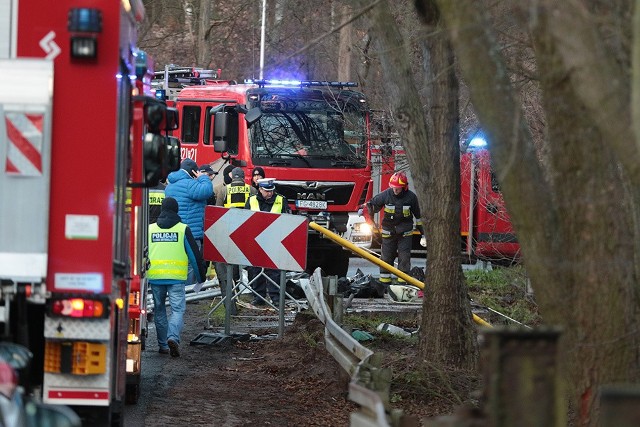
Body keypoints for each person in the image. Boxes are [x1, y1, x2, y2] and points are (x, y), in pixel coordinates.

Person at [148, 197, 206, 357]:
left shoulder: (150, 229)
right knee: (177, 310)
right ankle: (172, 337)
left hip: (155, 277)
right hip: (176, 279)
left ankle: (163, 346)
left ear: (161, 209)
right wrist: (201, 277)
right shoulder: (182, 229)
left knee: (159, 310)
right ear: (177, 210)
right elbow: (194, 256)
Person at [360, 171, 425, 287]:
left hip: (405, 233)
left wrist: (423, 235)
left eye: (398, 188)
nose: (395, 190)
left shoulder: (411, 197)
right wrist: (364, 209)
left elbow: (419, 217)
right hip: (388, 232)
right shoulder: (386, 195)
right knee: (386, 258)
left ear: (405, 187)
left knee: (404, 258)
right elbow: (372, 205)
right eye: (393, 188)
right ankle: (384, 284)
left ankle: (402, 284)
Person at [214, 167, 256, 313]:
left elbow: (217, 211)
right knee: (247, 259)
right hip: (247, 228)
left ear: (232, 177)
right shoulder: (251, 190)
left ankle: (234, 289)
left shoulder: (223, 190)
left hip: (229, 229)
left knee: (231, 260)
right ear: (243, 177)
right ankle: (249, 287)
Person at [165, 158, 213, 286]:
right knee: (191, 263)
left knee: (178, 261)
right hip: (191, 231)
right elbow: (207, 191)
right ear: (193, 172)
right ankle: (189, 291)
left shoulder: (171, 185)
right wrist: (203, 178)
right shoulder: (189, 184)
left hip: (175, 230)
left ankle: (177, 287)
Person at [244, 178, 291, 306]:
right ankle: (258, 297)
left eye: (271, 191)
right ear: (260, 189)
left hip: (275, 240)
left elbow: (287, 220)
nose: (269, 193)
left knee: (274, 271)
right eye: (266, 191)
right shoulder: (252, 200)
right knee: (255, 269)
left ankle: (275, 298)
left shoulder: (281, 200)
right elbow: (244, 220)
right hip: (255, 241)